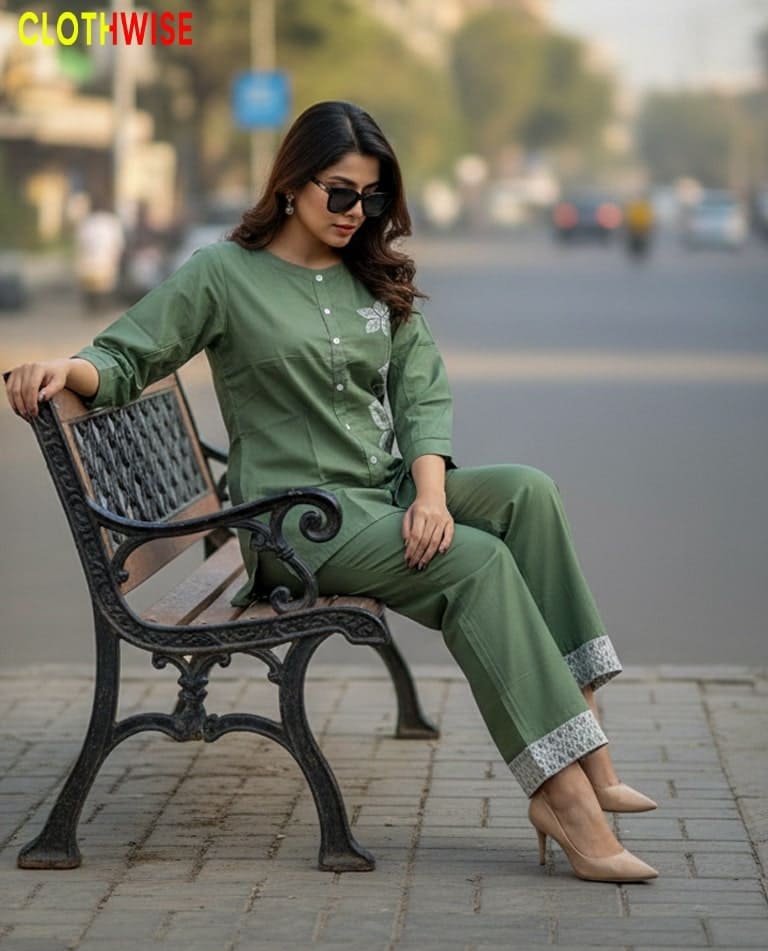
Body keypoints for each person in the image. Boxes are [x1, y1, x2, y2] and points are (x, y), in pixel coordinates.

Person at [5, 101, 658, 883]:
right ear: (290, 185)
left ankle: (587, 738)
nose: (358, 213)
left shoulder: (372, 279)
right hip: (292, 526)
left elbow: (423, 397)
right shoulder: (225, 275)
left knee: (529, 491)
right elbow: (127, 357)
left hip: (378, 496)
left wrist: (430, 497)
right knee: (475, 564)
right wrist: (65, 371)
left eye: (372, 197)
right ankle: (565, 796)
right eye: (340, 193)